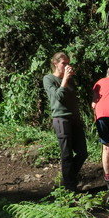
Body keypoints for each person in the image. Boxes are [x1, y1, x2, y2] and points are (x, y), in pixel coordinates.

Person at [42, 52, 87, 191]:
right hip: (61, 119)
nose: (67, 66)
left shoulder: (70, 80)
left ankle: (68, 179)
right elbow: (57, 97)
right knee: (66, 154)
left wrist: (68, 79)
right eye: (64, 63)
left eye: (68, 63)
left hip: (74, 119)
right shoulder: (48, 79)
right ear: (55, 63)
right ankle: (69, 187)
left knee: (82, 152)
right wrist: (65, 79)